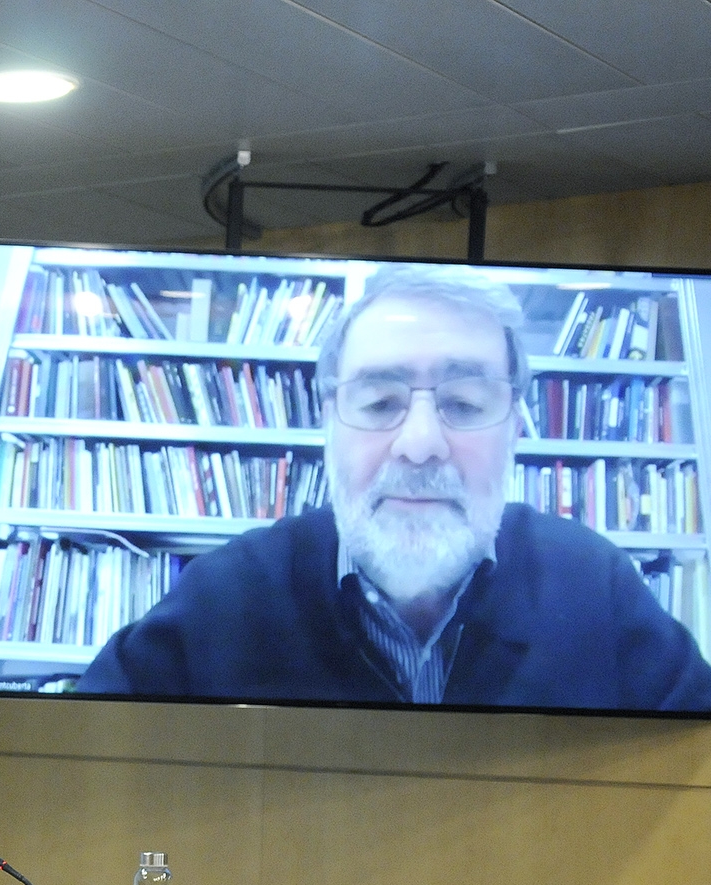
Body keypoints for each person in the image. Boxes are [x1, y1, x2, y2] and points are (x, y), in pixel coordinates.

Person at [78, 264, 711, 710]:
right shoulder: (225, 594)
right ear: (329, 423)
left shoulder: (595, 584)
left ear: (516, 428)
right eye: (381, 402)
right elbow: (85, 769)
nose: (419, 442)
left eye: (463, 403)